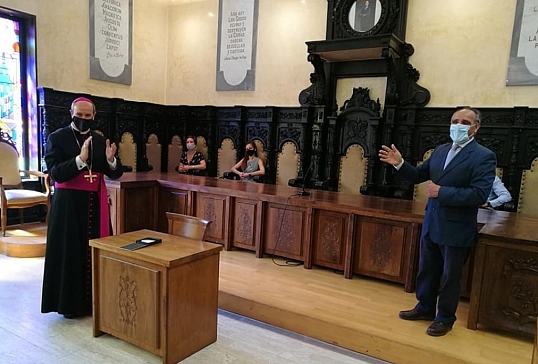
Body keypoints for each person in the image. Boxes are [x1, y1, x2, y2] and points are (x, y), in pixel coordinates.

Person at [378, 107, 496, 337]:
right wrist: (399, 163)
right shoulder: (441, 150)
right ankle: (424, 307)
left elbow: (479, 194)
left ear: (476, 128)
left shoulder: (484, 156)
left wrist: (442, 192)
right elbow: (418, 175)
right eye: (455, 120)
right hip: (432, 222)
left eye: (465, 121)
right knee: (427, 269)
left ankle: (445, 318)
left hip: (457, 226)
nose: (458, 125)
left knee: (450, 276)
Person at [41, 97, 123, 319]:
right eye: (80, 115)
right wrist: (79, 160)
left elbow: (114, 173)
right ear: (71, 113)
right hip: (67, 205)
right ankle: (69, 305)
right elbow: (55, 172)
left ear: (94, 116)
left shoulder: (99, 139)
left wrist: (112, 160)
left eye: (88, 116)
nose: (84, 119)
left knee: (93, 250)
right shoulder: (57, 138)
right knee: (71, 251)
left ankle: (94, 301)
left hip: (94, 205)